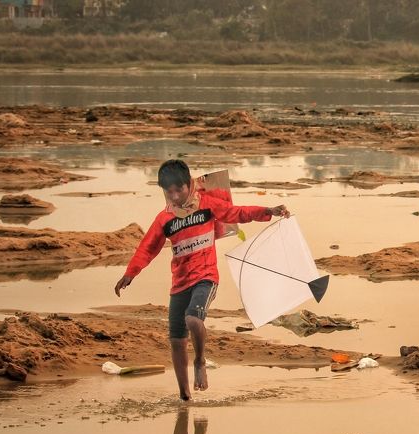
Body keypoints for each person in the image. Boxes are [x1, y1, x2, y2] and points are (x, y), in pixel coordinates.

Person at [114, 159, 289, 401]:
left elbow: (236, 212)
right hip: (180, 282)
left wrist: (267, 211)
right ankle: (184, 395)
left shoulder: (206, 205)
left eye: (179, 189)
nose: (175, 196)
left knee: (193, 319)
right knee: (176, 340)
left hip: (206, 277)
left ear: (190, 185)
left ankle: (199, 360)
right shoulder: (164, 219)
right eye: (169, 192)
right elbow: (148, 248)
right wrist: (130, 273)